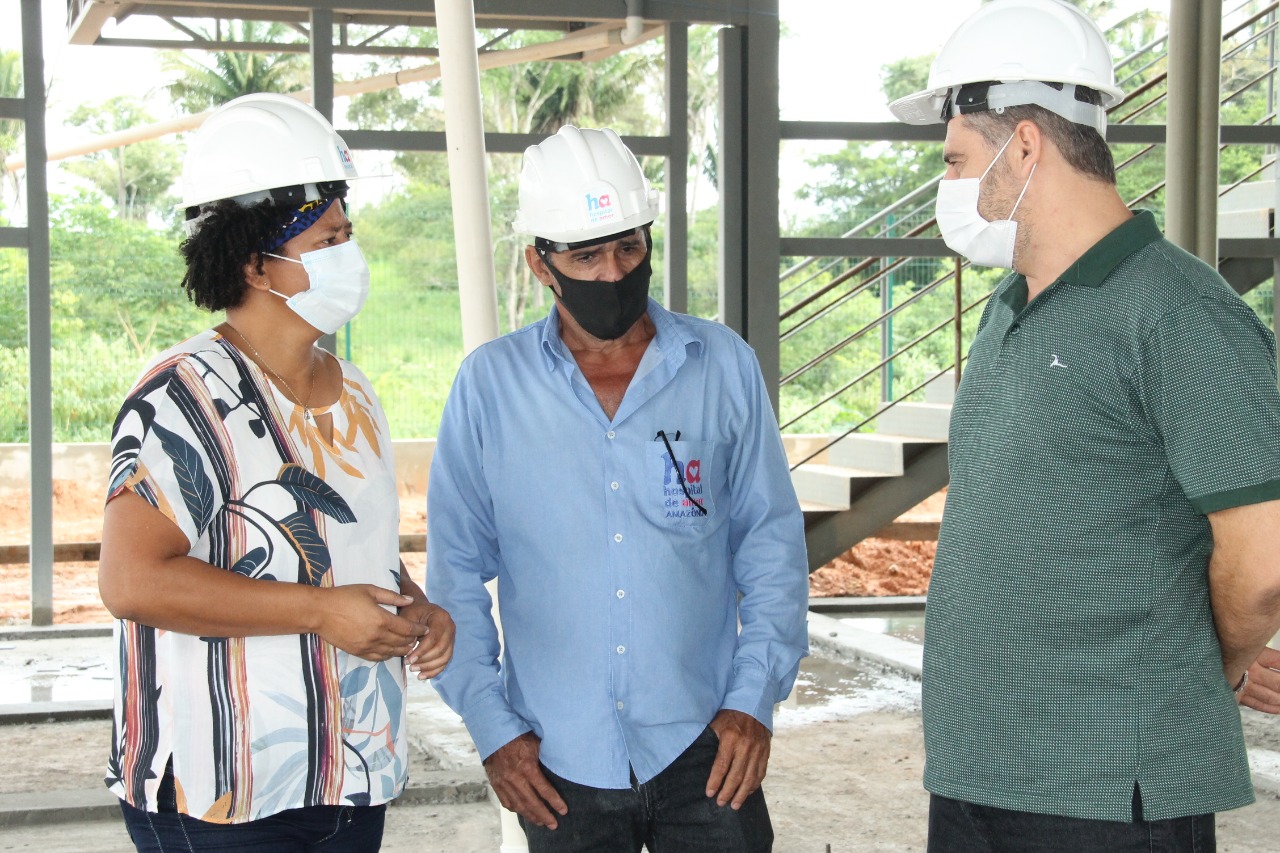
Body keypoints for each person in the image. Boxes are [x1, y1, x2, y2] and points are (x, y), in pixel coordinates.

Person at [886, 1, 1280, 849]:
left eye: (956, 161)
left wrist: (1197, 672)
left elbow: (1263, 562)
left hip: (1105, 791)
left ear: (1026, 145)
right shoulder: (1010, 307)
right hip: (979, 774)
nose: (946, 187)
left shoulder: (1177, 315)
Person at [425, 125, 809, 852]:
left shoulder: (721, 366)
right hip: (556, 761)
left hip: (706, 749)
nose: (612, 272)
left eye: (629, 247)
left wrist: (755, 698)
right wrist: (492, 727)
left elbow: (770, 545)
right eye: (586, 255)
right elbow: (454, 572)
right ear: (542, 263)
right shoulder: (489, 387)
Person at [97, 93, 455, 850]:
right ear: (258, 264)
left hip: (351, 770)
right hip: (219, 788)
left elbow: (351, 547)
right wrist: (324, 612)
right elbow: (132, 581)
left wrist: (416, 609)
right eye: (329, 239)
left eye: (348, 234)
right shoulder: (181, 396)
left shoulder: (354, 392)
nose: (350, 256)